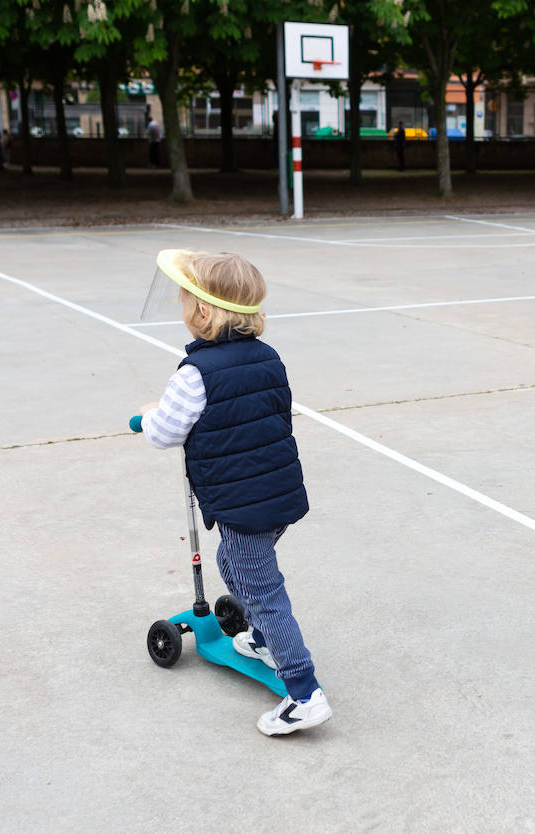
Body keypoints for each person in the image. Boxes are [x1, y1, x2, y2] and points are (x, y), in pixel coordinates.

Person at [137, 250, 329, 737]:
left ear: (202, 312)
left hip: (242, 502)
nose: (182, 307)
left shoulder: (193, 375)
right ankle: (263, 640)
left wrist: (149, 415)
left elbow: (164, 433)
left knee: (262, 592)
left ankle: (304, 694)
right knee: (236, 563)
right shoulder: (268, 358)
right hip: (277, 492)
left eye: (184, 299)